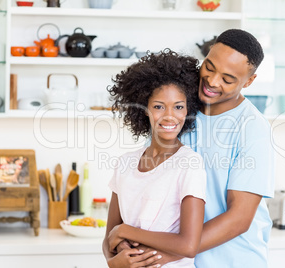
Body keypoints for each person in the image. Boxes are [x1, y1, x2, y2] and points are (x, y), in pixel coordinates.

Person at [106, 29, 275, 268]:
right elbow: (148, 186)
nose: (213, 81)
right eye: (210, 67)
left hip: (233, 260)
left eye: (228, 79)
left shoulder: (253, 128)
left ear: (248, 81)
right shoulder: (180, 109)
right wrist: (123, 246)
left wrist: (162, 254)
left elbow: (239, 218)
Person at [103, 49, 207, 267]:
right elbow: (109, 238)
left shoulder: (190, 164)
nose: (169, 116)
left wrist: (126, 231)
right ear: (144, 110)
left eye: (178, 107)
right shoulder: (125, 164)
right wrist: (113, 262)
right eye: (159, 106)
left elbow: (189, 245)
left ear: (187, 110)